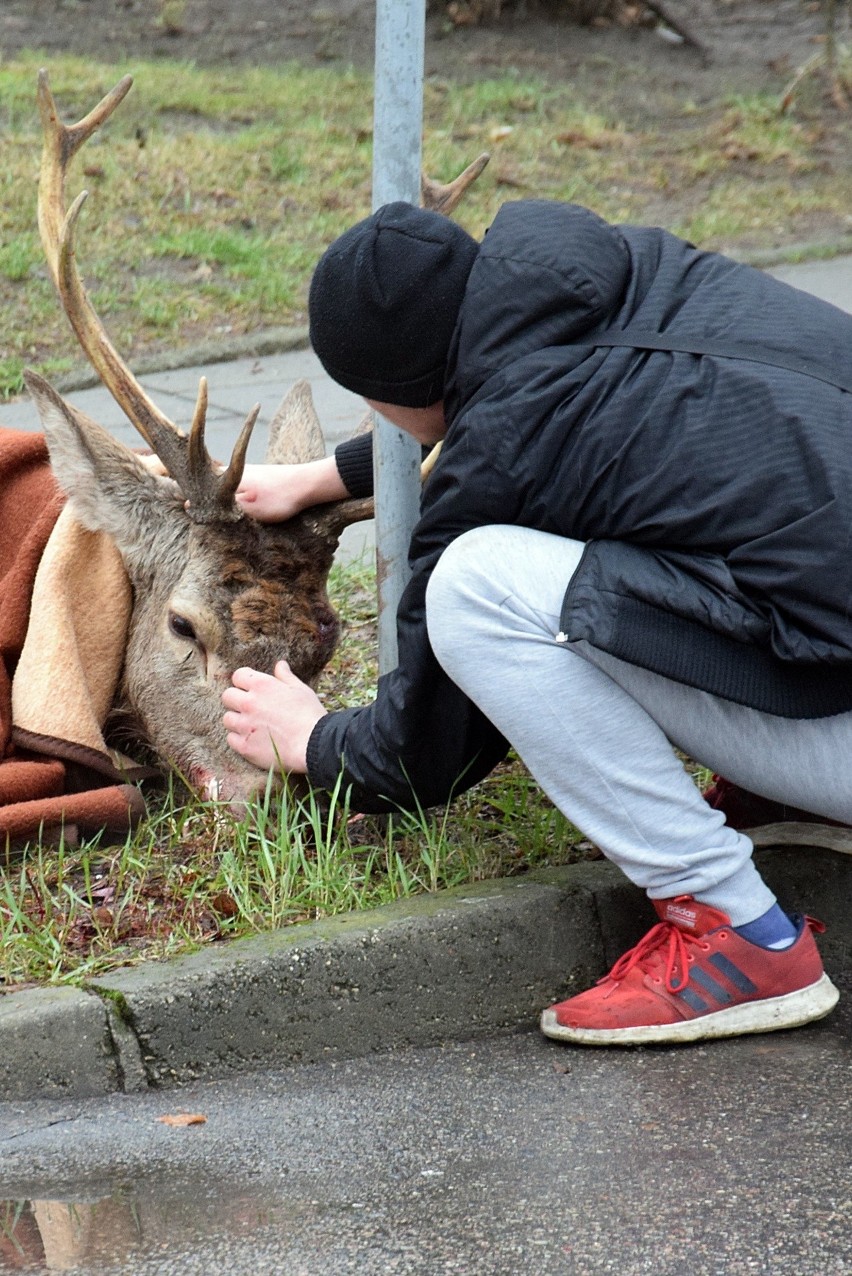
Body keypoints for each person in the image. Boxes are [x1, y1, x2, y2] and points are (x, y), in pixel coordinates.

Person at [221, 198, 852, 1047]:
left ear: (395, 395)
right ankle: (783, 788)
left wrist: (317, 741)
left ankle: (736, 933)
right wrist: (325, 474)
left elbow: (426, 753)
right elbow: (555, 401)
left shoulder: (513, 441)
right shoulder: (639, 271)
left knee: (477, 586)